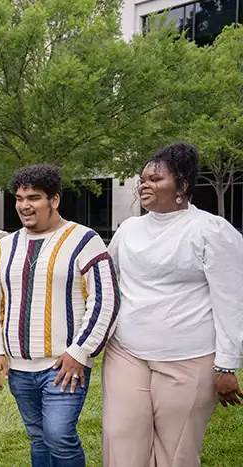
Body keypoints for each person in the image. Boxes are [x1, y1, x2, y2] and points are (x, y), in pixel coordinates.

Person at [103, 142, 243, 467]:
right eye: (143, 179)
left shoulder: (211, 230)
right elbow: (106, 283)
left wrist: (226, 365)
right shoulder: (128, 230)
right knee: (121, 442)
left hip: (188, 359)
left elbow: (232, 301)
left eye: (155, 179)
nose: (144, 186)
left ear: (181, 186)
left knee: (175, 453)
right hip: (127, 353)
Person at [0, 164, 119, 467]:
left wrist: (80, 352)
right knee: (38, 436)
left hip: (64, 365)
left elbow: (105, 300)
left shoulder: (84, 240)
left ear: (54, 200)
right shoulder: (4, 248)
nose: (24, 205)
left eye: (33, 197)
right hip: (19, 369)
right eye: (19, 198)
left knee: (59, 435)